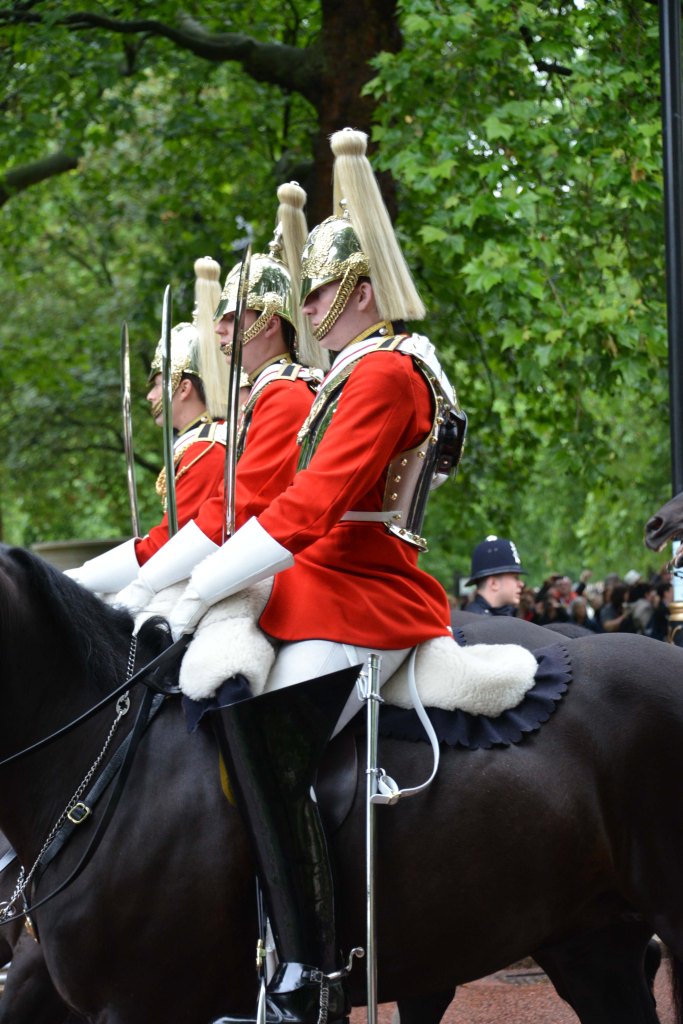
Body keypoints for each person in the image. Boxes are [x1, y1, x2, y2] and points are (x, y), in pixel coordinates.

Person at [118, 129, 465, 1024]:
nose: (306, 307)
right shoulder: (356, 371)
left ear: (354, 289)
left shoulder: (386, 371)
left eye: (314, 290)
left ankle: (309, 973)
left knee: (262, 734)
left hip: (365, 590)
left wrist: (197, 588)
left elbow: (308, 509)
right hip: (324, 579)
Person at [112, 182, 328, 613]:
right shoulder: (274, 389)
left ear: (269, 322)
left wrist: (152, 579)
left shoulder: (285, 393)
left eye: (231, 316)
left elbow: (239, 507)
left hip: (291, 572)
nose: (219, 330)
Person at [65, 257, 228, 593]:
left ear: (183, 388)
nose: (151, 395)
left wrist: (76, 581)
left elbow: (167, 544)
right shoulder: (201, 442)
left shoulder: (207, 449)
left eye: (157, 384)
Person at [463, 535, 527, 616]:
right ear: (493, 583)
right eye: (515, 578)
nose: (521, 584)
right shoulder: (473, 623)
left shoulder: (504, 614)